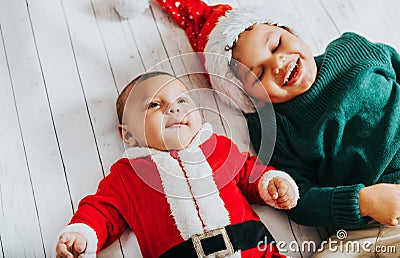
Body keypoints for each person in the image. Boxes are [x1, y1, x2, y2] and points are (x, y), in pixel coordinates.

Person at [147, 0, 400, 256]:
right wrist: (360, 202)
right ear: (249, 96)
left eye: (276, 44)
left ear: (290, 30)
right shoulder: (273, 127)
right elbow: (299, 198)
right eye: (259, 74)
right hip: (370, 216)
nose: (278, 63)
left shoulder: (352, 50)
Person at [55, 71, 299, 258]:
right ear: (128, 135)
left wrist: (273, 183)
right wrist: (82, 234)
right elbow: (102, 211)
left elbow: (249, 172)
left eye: (182, 100)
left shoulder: (218, 148)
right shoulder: (128, 176)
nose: (174, 108)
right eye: (154, 104)